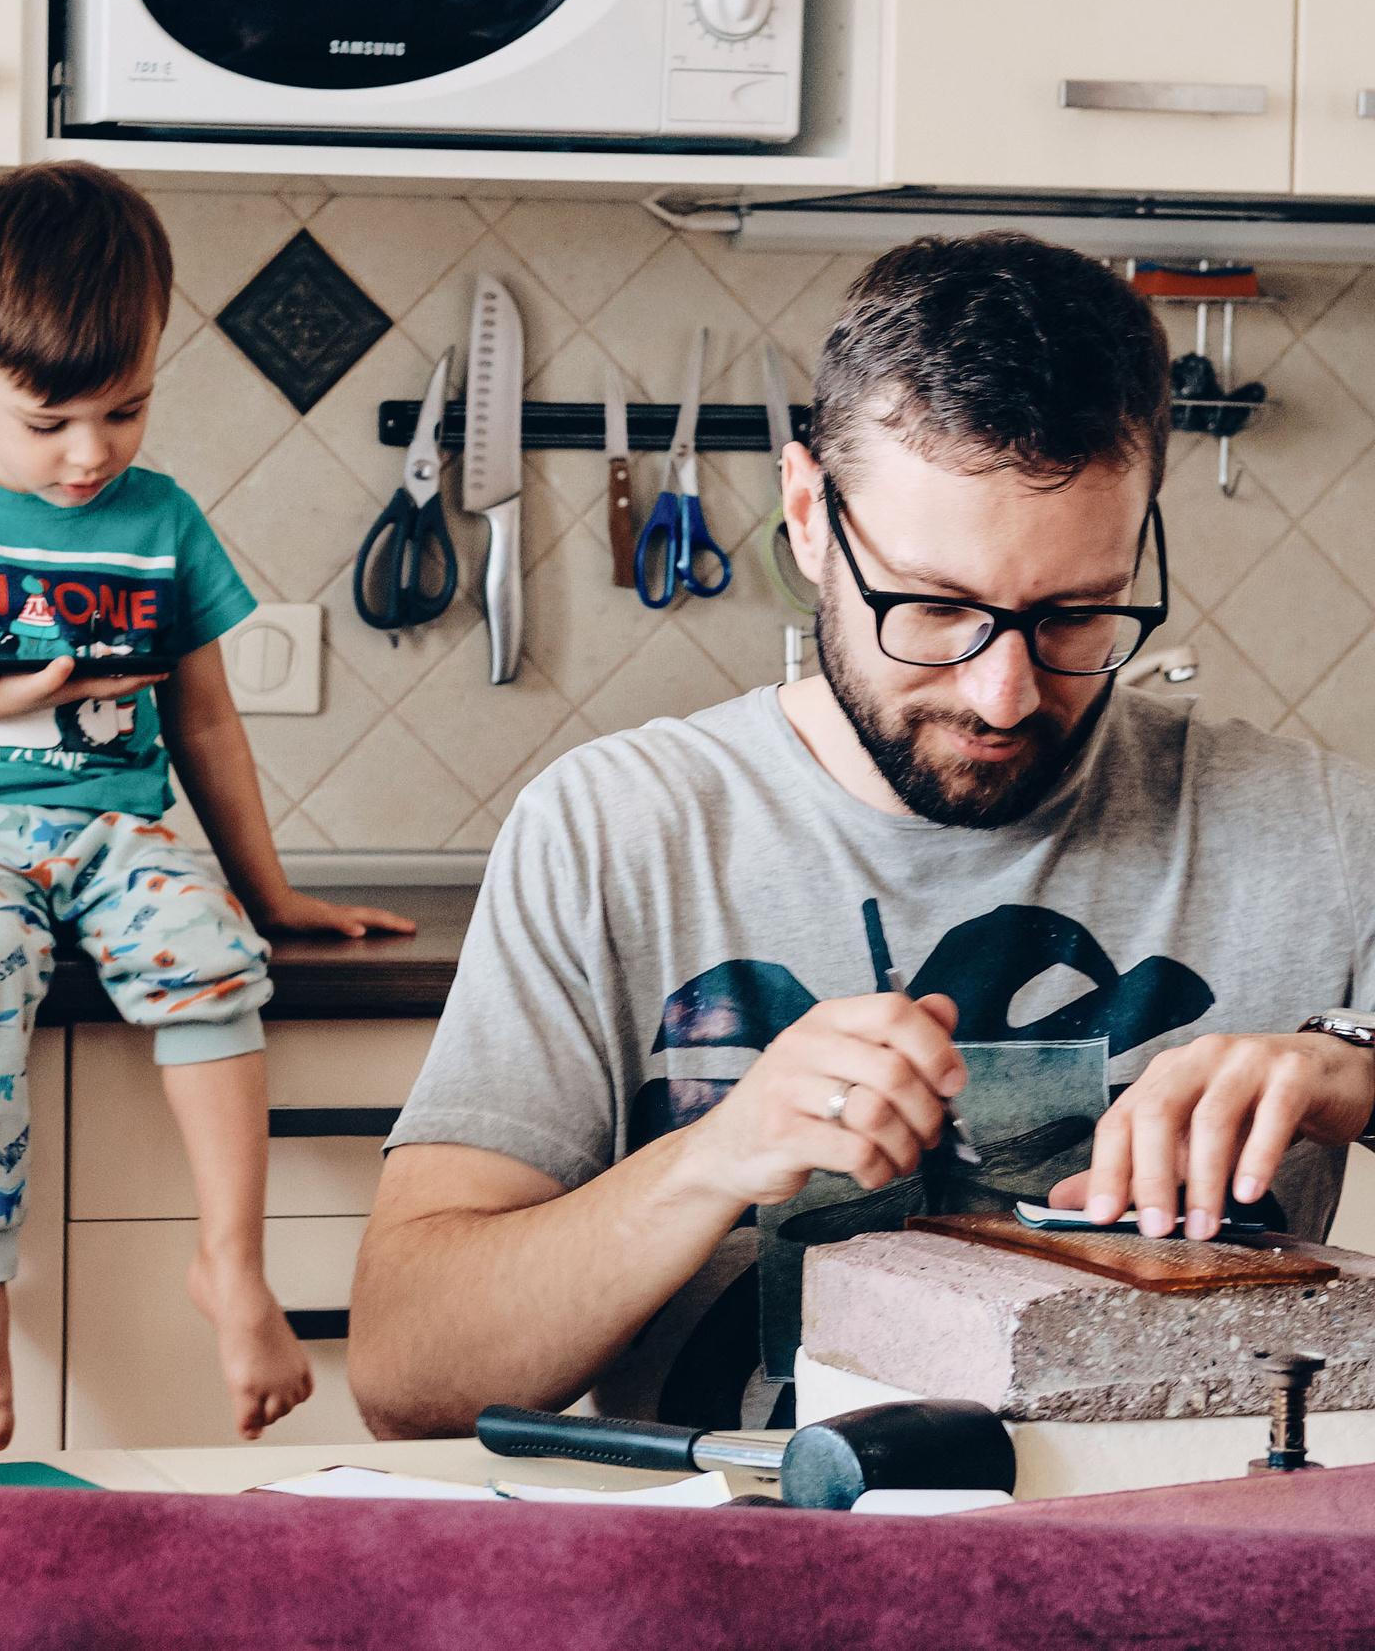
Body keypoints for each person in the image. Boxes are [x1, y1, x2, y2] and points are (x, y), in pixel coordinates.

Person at [349, 231, 1375, 1439]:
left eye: (1076, 614)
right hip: (728, 1594)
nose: (1003, 693)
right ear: (805, 514)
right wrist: (714, 1154)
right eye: (935, 607)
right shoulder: (613, 826)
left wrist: (1353, 1069)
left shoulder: (1321, 827)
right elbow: (407, 1372)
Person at [0, 162, 412, 1448]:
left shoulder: (161, 520)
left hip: (115, 827)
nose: (89, 453)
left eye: (124, 410)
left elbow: (202, 720)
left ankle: (229, 1265)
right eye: (50, 418)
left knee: (211, 957)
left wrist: (267, 890)